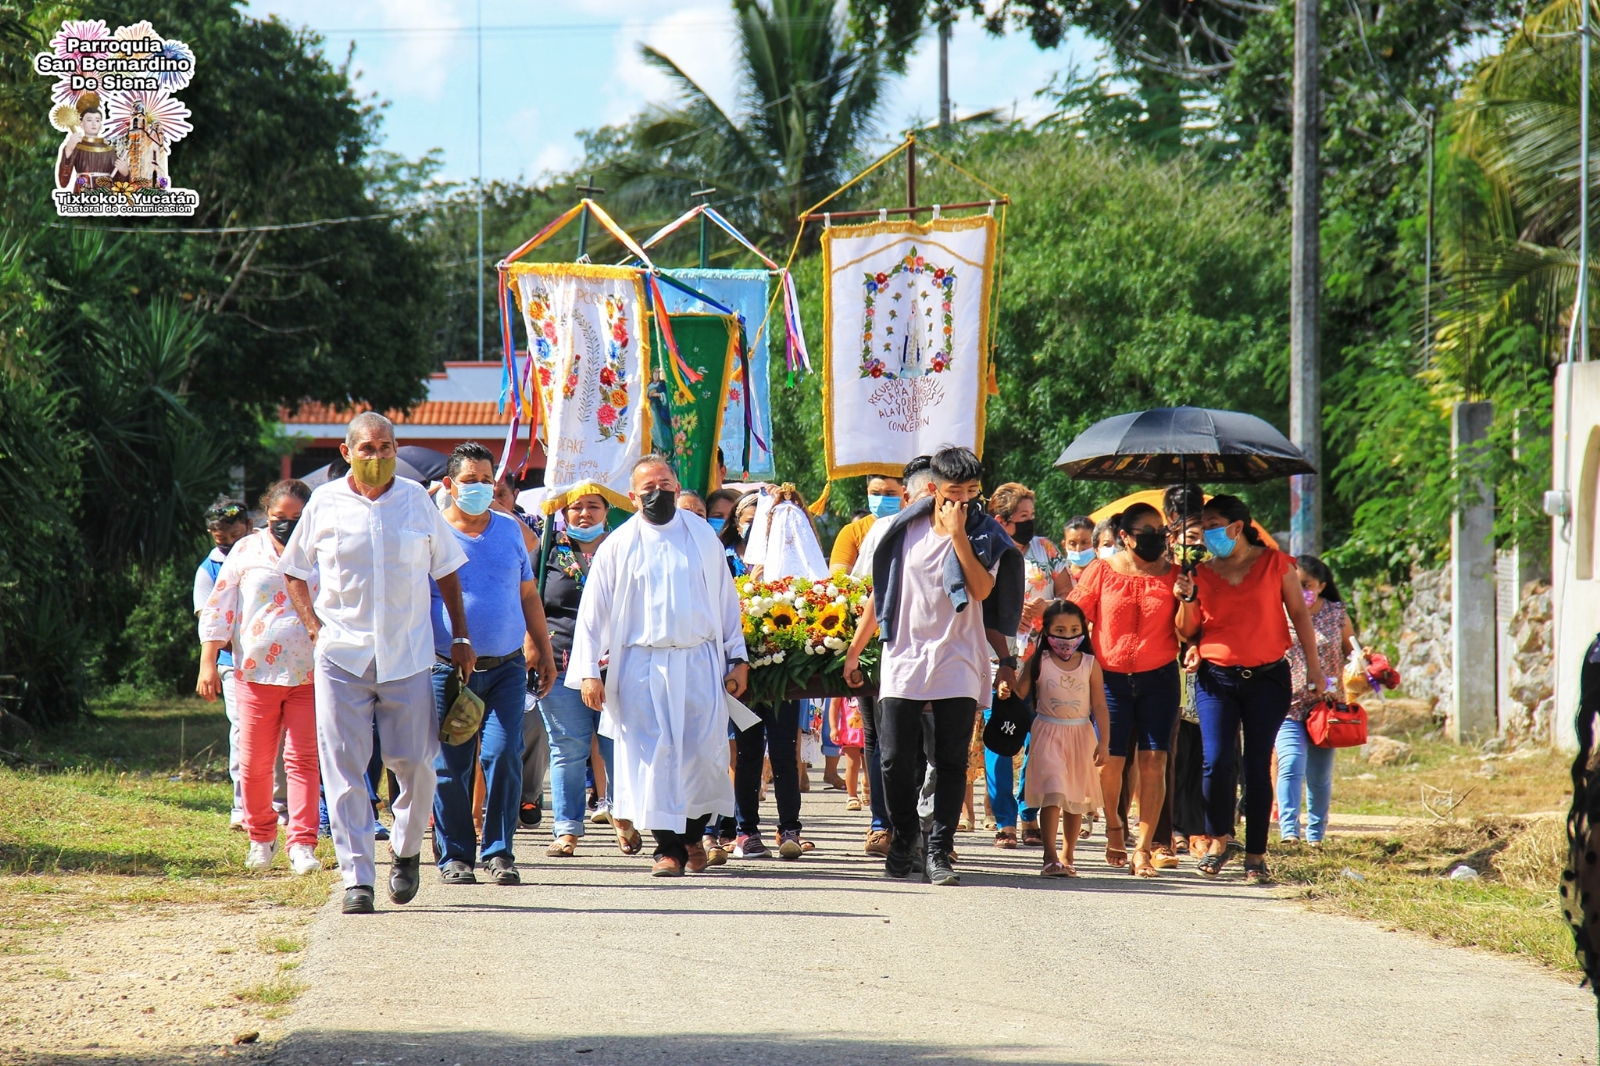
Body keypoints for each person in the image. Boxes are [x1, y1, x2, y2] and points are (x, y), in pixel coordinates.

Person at [281, 412, 475, 915]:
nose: (378, 456)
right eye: (367, 448)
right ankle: (357, 878)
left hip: (407, 656)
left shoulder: (416, 500)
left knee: (416, 766)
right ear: (347, 453)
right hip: (341, 657)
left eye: (386, 447)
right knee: (344, 770)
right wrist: (313, 628)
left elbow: (447, 571)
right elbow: (295, 571)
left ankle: (407, 851)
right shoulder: (323, 503)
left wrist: (459, 635)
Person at [844, 446, 1024, 886]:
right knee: (891, 758)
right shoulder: (901, 530)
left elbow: (981, 591)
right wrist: (854, 650)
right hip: (903, 656)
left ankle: (940, 850)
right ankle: (905, 837)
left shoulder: (985, 535)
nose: (962, 500)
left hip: (958, 659)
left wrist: (958, 535)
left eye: (971, 492)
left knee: (949, 760)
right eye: (953, 491)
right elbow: (878, 595)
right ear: (933, 488)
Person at [568, 455, 750, 877]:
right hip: (641, 666)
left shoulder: (702, 536)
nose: (658, 492)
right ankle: (667, 849)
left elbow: (726, 602)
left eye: (665, 483)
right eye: (648, 487)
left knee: (702, 757)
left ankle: (692, 835)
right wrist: (590, 672)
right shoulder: (618, 544)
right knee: (653, 760)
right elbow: (593, 612)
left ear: (677, 484)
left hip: (699, 662)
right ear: (632, 497)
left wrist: (737, 658)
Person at [1178, 494, 1325, 884]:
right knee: (1217, 761)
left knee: (1257, 765)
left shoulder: (1276, 564)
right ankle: (1219, 840)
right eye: (1203, 524)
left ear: (1236, 527)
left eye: (1212, 523)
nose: (1206, 532)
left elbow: (1299, 616)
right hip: (1216, 678)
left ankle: (1256, 856)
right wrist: (1188, 599)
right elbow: (1187, 630)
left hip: (1268, 678)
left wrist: (1314, 667)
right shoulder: (1200, 573)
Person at [426, 443, 550, 887]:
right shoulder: (433, 533)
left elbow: (528, 594)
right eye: (470, 480)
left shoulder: (509, 530)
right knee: (451, 766)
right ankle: (455, 854)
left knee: (502, 755)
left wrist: (545, 652)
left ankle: (499, 851)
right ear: (449, 485)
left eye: (486, 480)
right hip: (449, 671)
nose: (480, 488)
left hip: (507, 669)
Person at [197, 480, 321, 876]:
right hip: (253, 672)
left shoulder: (323, 548)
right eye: (277, 518)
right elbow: (221, 607)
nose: (286, 525)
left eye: (295, 519)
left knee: (303, 761)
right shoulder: (246, 550)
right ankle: (260, 837)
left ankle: (301, 843)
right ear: (264, 517)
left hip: (311, 674)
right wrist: (208, 662)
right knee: (254, 764)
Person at [1067, 502, 1184, 878]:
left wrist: (1189, 597)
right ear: (1124, 536)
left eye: (1160, 532)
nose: (1154, 540)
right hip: (1110, 680)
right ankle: (1115, 825)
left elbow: (1189, 629)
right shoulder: (1101, 571)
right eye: (1145, 533)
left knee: (1154, 762)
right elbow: (1074, 613)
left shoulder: (1176, 575)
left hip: (1159, 678)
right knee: (1110, 763)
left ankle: (1143, 848)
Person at [540, 490, 632, 857]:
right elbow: (531, 599)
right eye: (576, 506)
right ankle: (566, 829)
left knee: (617, 748)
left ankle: (623, 817)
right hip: (562, 665)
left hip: (617, 668)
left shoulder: (624, 548)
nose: (583, 513)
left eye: (593, 505)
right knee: (567, 749)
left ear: (607, 510)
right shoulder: (548, 550)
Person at [984, 483, 1073, 849]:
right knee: (1001, 739)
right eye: (1022, 517)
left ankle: (1028, 813)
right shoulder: (986, 549)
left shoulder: (1046, 549)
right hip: (998, 657)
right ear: (1002, 520)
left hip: (1043, 660)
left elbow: (1072, 595)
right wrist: (1008, 610)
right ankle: (1003, 819)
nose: (1029, 522)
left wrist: (1047, 607)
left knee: (1040, 740)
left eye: (1032, 516)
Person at [999, 601, 1107, 876]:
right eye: (1060, 630)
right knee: (1054, 792)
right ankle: (1049, 855)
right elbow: (1019, 693)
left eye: (1074, 629)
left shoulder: (1090, 664)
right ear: (1046, 631)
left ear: (1084, 630)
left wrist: (1104, 741)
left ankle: (1068, 855)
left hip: (1081, 735)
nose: (1067, 637)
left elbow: (1100, 705)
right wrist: (1004, 688)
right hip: (1047, 732)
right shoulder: (1040, 661)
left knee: (1075, 799)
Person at [1277, 554, 1361, 845]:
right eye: (1294, 584)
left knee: (1319, 776)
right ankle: (1289, 831)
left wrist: (1368, 667)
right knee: (1290, 764)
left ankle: (1316, 835)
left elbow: (1354, 651)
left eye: (1307, 584)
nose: (1300, 591)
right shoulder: (1277, 611)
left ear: (1322, 586)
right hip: (1287, 706)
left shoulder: (1336, 614)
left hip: (1326, 709)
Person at [195, 497, 253, 831]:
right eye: (221, 538)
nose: (229, 543)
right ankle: (241, 806)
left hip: (281, 663)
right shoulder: (209, 570)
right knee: (244, 732)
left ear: (248, 527)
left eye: (235, 535)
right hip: (235, 663)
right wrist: (210, 665)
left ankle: (280, 805)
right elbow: (211, 623)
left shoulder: (268, 553)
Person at [830, 473, 905, 573]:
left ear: (905, 494)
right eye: (875, 494)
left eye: (890, 494)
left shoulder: (915, 527)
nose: (881, 500)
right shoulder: (853, 531)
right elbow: (838, 578)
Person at [56, 92, 117, 190]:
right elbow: (63, 181)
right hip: (83, 191)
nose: (94, 124)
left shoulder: (109, 150)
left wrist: (124, 172)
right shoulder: (76, 146)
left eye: (97, 120)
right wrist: (68, 150)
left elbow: (119, 181)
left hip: (105, 196)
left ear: (101, 125)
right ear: (81, 124)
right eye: (89, 120)